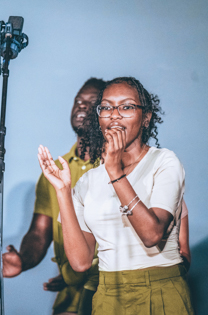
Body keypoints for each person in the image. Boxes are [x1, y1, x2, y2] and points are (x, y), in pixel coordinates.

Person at [38, 77, 193, 314]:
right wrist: (63, 191)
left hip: (161, 290)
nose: (115, 115)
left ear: (146, 117)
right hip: (109, 293)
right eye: (107, 107)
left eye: (127, 107)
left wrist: (114, 171)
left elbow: (152, 235)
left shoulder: (164, 162)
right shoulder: (89, 181)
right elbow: (80, 262)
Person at [0, 78, 105, 315]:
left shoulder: (116, 168)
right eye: (78, 101)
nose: (82, 106)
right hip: (71, 299)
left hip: (112, 293)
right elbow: (40, 233)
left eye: (93, 103)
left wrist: (81, 272)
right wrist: (24, 259)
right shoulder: (54, 170)